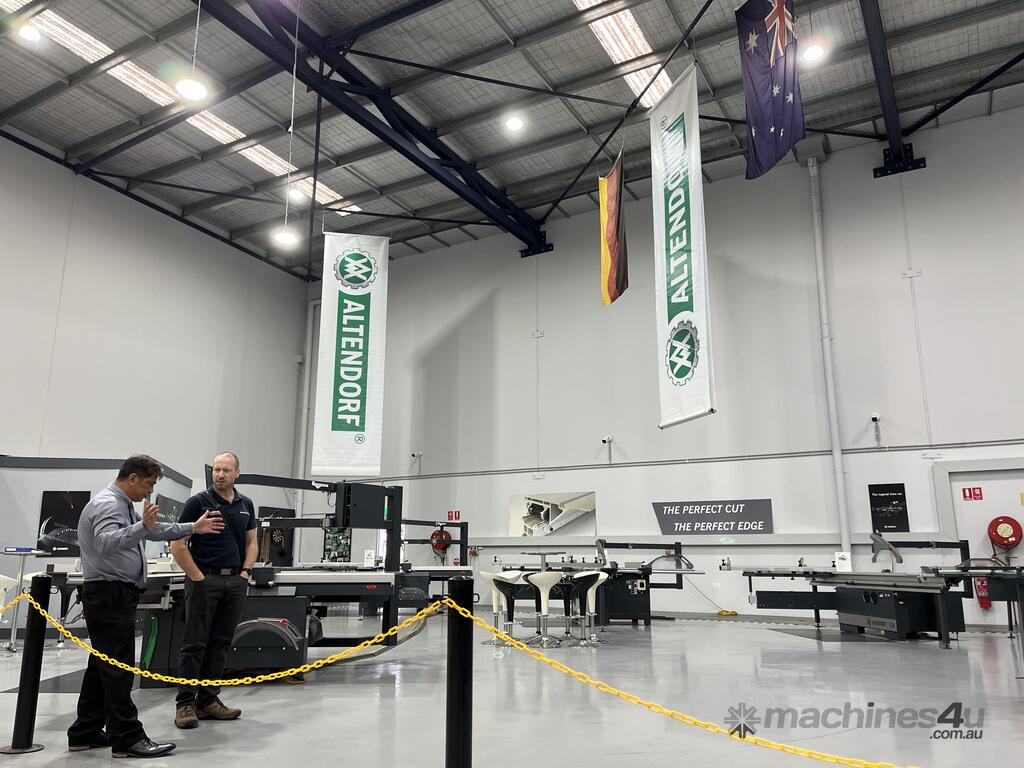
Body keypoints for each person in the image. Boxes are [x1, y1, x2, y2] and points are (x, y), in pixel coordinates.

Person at [68, 454, 224, 758]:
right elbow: (105, 542)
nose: (150, 491)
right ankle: (127, 739)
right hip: (109, 594)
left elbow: (152, 530)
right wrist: (141, 527)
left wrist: (193, 527)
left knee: (102, 665)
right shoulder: (108, 504)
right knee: (119, 669)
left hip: (113, 593)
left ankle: (84, 731)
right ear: (133, 478)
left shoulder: (122, 504)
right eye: (149, 484)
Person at [170, 451, 257, 729]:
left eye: (226, 470)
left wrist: (245, 573)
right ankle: (185, 704)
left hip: (235, 583)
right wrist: (197, 577)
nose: (219, 474)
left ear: (237, 473)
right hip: (204, 581)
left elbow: (252, 541)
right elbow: (177, 544)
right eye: (216, 470)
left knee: (221, 642)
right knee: (194, 643)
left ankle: (208, 701)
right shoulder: (197, 503)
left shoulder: (246, 504)